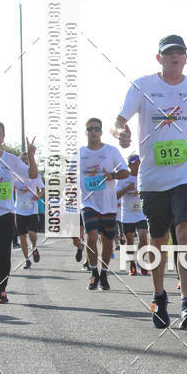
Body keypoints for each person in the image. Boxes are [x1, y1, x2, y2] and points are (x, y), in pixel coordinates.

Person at [111, 34, 187, 330]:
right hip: (153, 177)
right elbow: (118, 122)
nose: (174, 57)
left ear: (186, 57)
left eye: (179, 52)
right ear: (159, 58)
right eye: (169, 53)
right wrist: (121, 134)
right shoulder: (143, 86)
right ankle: (159, 295)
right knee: (159, 238)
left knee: (186, 228)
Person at [0, 124, 38, 303]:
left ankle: (1, 290)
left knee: (5, 253)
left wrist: (31, 156)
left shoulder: (10, 160)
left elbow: (32, 176)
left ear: (3, 137)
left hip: (6, 213)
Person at [77, 119, 128, 291]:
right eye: (90, 128)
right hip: (88, 202)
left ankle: (104, 273)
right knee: (90, 237)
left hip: (108, 204)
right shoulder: (79, 153)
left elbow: (125, 172)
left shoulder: (111, 151)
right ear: (85, 131)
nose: (93, 132)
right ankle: (93, 273)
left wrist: (112, 175)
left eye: (96, 129)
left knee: (107, 241)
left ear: (101, 132)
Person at [116, 154, 149, 276]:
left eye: (139, 163)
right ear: (129, 165)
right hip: (127, 214)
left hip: (141, 213)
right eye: (134, 164)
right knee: (129, 240)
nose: (137, 166)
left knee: (144, 238)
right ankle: (132, 264)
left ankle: (141, 262)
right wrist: (127, 189)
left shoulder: (144, 177)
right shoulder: (123, 178)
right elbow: (116, 195)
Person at [14, 153, 44, 268]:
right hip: (19, 210)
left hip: (32, 210)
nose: (25, 162)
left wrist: (39, 196)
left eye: (27, 160)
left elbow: (42, 189)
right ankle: (27, 260)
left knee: (32, 234)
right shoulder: (15, 175)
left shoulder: (35, 175)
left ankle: (34, 247)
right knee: (22, 237)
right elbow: (9, 187)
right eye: (23, 160)